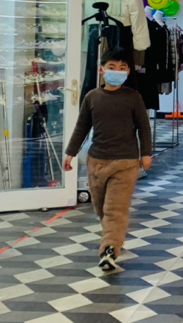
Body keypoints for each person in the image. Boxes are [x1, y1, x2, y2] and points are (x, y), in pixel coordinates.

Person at [63, 47, 152, 272]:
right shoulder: (92, 97)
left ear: (128, 72)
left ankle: (109, 250)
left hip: (125, 163)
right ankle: (114, 237)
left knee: (115, 209)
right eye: (112, 67)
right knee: (101, 208)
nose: (117, 71)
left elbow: (144, 127)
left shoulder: (133, 98)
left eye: (122, 68)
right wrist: (70, 153)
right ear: (102, 70)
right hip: (96, 162)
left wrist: (146, 153)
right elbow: (82, 127)